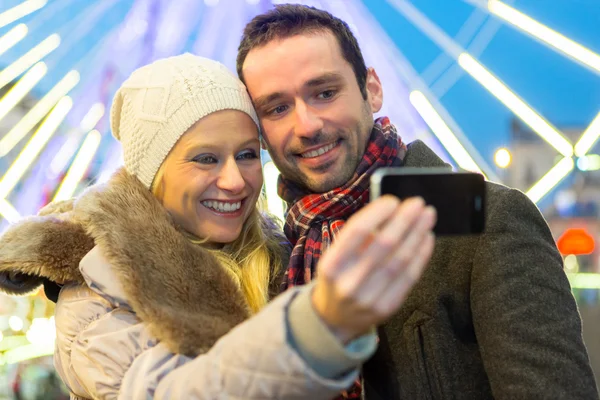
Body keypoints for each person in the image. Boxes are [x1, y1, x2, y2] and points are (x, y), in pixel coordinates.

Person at [0, 54, 436, 399]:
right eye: (205, 158)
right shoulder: (98, 284)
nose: (234, 180)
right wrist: (313, 329)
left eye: (247, 155)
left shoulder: (288, 254)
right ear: (151, 174)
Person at [235, 4, 599, 399]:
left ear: (372, 89)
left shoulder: (489, 221)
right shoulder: (272, 264)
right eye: (277, 108)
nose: (306, 125)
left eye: (324, 93)